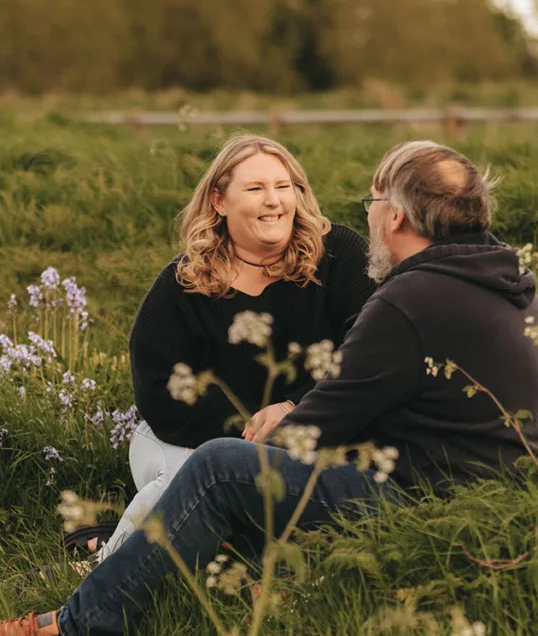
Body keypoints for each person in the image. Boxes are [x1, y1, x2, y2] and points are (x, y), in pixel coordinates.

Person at [3, 139, 538, 636]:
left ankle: (75, 633)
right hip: (498, 508)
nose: (370, 217)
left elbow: (316, 427)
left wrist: (256, 440)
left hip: (425, 507)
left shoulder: (408, 299)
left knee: (218, 469)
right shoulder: (512, 281)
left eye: (373, 203)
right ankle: (265, 575)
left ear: (395, 217)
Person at [91, 132, 373, 563]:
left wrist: (295, 407)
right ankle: (101, 569)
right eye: (256, 189)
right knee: (191, 475)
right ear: (219, 202)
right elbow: (156, 388)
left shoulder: (339, 254)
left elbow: (368, 346)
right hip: (178, 436)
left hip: (307, 431)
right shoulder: (185, 283)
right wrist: (232, 445)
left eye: (284, 187)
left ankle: (112, 550)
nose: (274, 201)